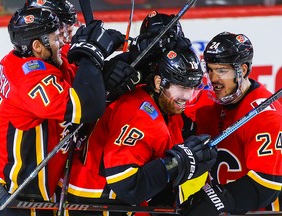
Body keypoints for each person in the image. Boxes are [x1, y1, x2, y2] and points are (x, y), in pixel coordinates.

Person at [61, 46, 217, 216]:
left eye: (192, 88)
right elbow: (126, 184)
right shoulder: (139, 115)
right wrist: (178, 162)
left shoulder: (166, 107)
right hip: (95, 202)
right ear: (159, 83)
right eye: (182, 87)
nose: (188, 96)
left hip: (113, 200)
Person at [0, 6, 115, 215]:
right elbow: (87, 106)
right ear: (38, 46)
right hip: (12, 197)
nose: (62, 43)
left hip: (31, 196)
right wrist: (91, 55)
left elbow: (77, 76)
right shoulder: (29, 79)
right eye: (56, 37)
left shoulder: (31, 61)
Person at [180, 31, 282, 215]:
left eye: (221, 70)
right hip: (229, 210)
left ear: (242, 70)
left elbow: (265, 185)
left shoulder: (266, 116)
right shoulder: (207, 104)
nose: (213, 79)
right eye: (210, 69)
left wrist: (214, 200)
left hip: (265, 211)